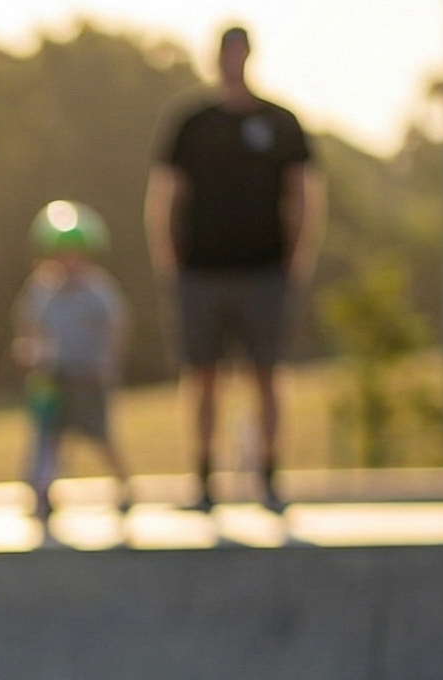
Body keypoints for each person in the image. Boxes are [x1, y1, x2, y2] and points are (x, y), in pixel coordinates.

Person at [146, 25, 323, 516]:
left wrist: (297, 257)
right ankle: (204, 481)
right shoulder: (192, 123)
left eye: (239, 54)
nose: (232, 62)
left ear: (250, 57)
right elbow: (165, 195)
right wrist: (169, 260)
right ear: (215, 59)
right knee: (201, 376)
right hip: (201, 272)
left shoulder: (281, 123)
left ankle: (269, 479)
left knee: (267, 376)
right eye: (225, 54)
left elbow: (304, 193)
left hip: (264, 272)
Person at [16, 201, 134, 534]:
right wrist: (30, 351)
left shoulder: (97, 290)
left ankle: (124, 485)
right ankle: (41, 493)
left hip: (88, 374)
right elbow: (29, 326)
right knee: (48, 436)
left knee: (100, 434)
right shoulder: (41, 290)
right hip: (53, 375)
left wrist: (108, 362)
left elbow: (115, 326)